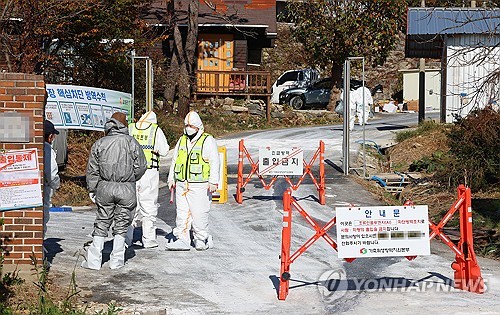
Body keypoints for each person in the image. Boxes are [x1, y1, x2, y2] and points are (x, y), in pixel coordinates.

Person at [82, 112, 147, 270]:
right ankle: (117, 261)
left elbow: (92, 170)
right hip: (126, 187)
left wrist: (93, 188)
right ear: (124, 125)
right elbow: (141, 166)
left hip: (105, 187)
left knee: (102, 222)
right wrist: (130, 178)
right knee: (122, 223)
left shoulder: (100, 143)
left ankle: (94, 261)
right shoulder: (132, 142)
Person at [166, 111, 220, 251]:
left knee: (199, 213)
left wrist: (213, 181)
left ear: (198, 127)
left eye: (191, 125)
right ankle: (182, 238)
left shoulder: (207, 140)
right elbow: (175, 159)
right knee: (182, 212)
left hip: (200, 184)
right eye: (186, 125)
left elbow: (215, 161)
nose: (188, 128)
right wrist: (171, 178)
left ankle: (202, 238)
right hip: (182, 183)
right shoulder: (182, 140)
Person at [126, 111, 169, 248]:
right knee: (148, 204)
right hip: (149, 172)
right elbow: (164, 150)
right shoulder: (155, 130)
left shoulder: (130, 128)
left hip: (130, 171)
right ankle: (148, 239)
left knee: (129, 204)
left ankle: (126, 238)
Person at [43, 120, 60, 236]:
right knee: (43, 217)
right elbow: (52, 174)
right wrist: (56, 185)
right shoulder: (47, 149)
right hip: (45, 189)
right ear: (50, 136)